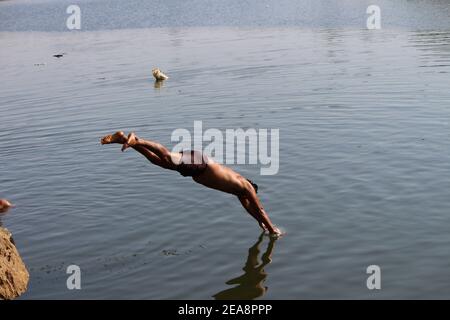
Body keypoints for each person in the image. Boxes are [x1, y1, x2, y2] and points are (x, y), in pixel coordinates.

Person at [100, 131, 282, 236]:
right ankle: (137, 139)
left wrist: (260, 223)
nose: (248, 199)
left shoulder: (238, 193)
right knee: (166, 156)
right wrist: (272, 227)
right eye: (251, 197)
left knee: (159, 162)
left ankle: (125, 140)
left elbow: (251, 209)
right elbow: (259, 209)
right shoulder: (246, 187)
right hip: (201, 164)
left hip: (196, 170)